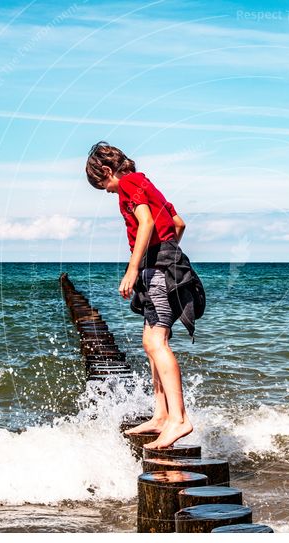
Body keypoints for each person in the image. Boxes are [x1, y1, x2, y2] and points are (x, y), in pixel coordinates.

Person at [85, 141, 204, 449]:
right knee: (150, 342)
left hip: (160, 270)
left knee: (156, 342)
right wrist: (167, 253)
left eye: (105, 186)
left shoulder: (128, 183)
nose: (110, 192)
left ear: (108, 171)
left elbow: (147, 223)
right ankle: (162, 414)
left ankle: (179, 419)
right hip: (166, 266)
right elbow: (178, 224)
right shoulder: (146, 183)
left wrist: (133, 268)